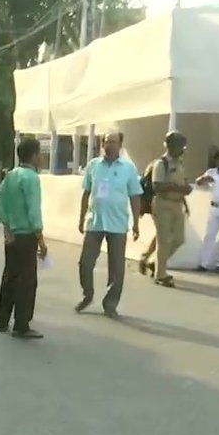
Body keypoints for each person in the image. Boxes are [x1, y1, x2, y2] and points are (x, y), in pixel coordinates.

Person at [76, 131, 143, 318]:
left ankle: (110, 304)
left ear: (120, 145)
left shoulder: (128, 168)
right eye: (106, 142)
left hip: (118, 224)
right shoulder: (93, 165)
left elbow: (135, 196)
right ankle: (87, 294)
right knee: (85, 263)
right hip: (95, 221)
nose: (109, 145)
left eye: (113, 142)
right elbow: (86, 193)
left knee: (117, 267)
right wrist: (81, 218)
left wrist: (136, 223)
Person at [0, 139, 47, 339]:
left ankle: (2, 321)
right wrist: (41, 240)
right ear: (34, 155)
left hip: (12, 235)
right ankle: (21, 324)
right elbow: (34, 212)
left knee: (10, 277)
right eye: (40, 153)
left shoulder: (11, 175)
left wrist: (6, 227)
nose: (42, 157)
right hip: (26, 235)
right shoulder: (32, 178)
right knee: (27, 281)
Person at [151, 130, 192, 287]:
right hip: (163, 204)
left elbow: (183, 183)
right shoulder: (161, 164)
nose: (182, 149)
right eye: (180, 145)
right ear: (171, 146)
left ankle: (156, 263)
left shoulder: (179, 163)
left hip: (177, 204)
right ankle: (160, 274)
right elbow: (157, 186)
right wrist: (177, 187)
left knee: (179, 239)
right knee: (164, 240)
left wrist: (184, 194)